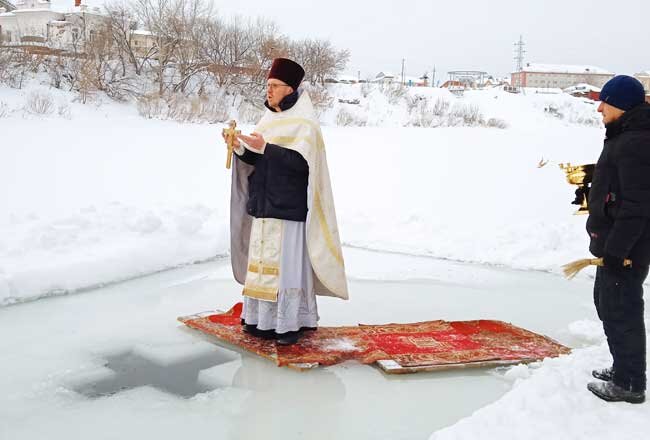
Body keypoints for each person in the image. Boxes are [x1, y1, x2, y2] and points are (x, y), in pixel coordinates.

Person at [225, 57, 348, 346]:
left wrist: (266, 147)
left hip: (288, 209)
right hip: (264, 205)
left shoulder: (305, 124)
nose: (268, 90)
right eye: (267, 85)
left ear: (290, 88)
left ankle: (289, 322)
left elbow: (302, 165)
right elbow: (259, 159)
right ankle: (260, 321)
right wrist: (241, 148)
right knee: (262, 267)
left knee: (285, 269)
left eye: (274, 85)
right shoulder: (268, 120)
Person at [586, 75, 650, 403]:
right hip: (613, 244)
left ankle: (629, 384)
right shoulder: (624, 136)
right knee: (607, 304)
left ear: (621, 104)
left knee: (622, 310)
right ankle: (621, 367)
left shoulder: (635, 142)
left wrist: (617, 250)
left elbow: (638, 205)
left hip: (624, 248)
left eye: (604, 102)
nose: (599, 108)